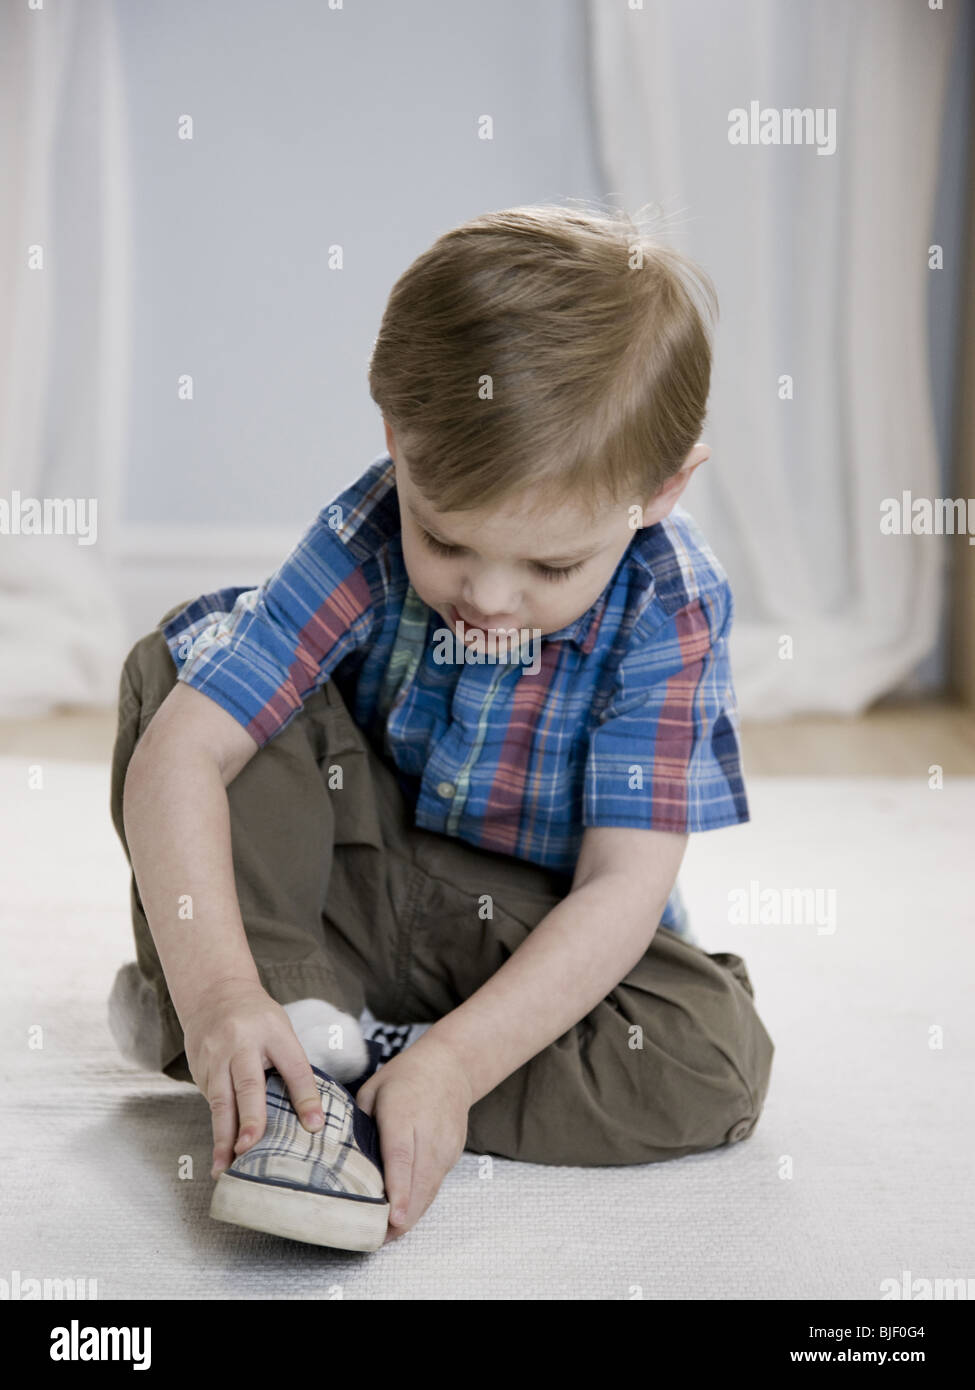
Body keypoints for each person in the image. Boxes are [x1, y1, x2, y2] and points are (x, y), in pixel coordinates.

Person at [108, 203, 774, 1253]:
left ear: (663, 491)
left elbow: (619, 888)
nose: (490, 600)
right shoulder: (367, 526)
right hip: (351, 886)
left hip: (520, 933)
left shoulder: (670, 604)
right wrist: (226, 988)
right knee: (179, 667)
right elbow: (191, 748)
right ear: (397, 441)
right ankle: (256, 1017)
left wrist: (455, 1064)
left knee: (714, 1058)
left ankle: (358, 1069)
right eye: (448, 538)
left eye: (553, 566)